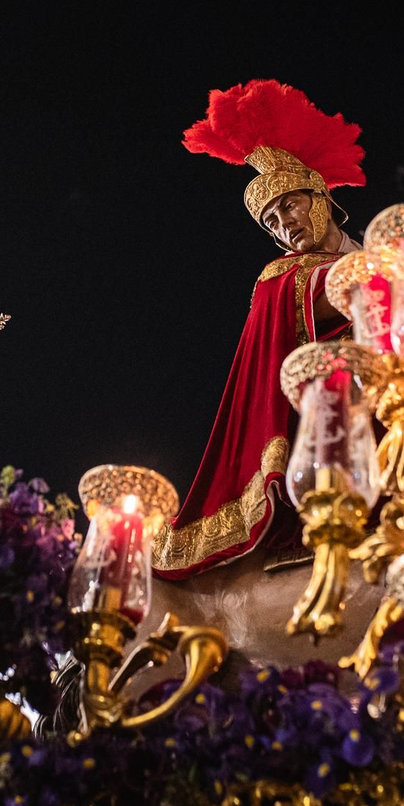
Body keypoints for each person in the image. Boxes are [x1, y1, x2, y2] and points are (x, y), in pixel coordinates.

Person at [155, 79, 366, 580]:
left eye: (290, 206)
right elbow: (342, 293)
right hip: (331, 404)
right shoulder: (282, 275)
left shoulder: (371, 252)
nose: (283, 225)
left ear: (319, 197)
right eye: (271, 220)